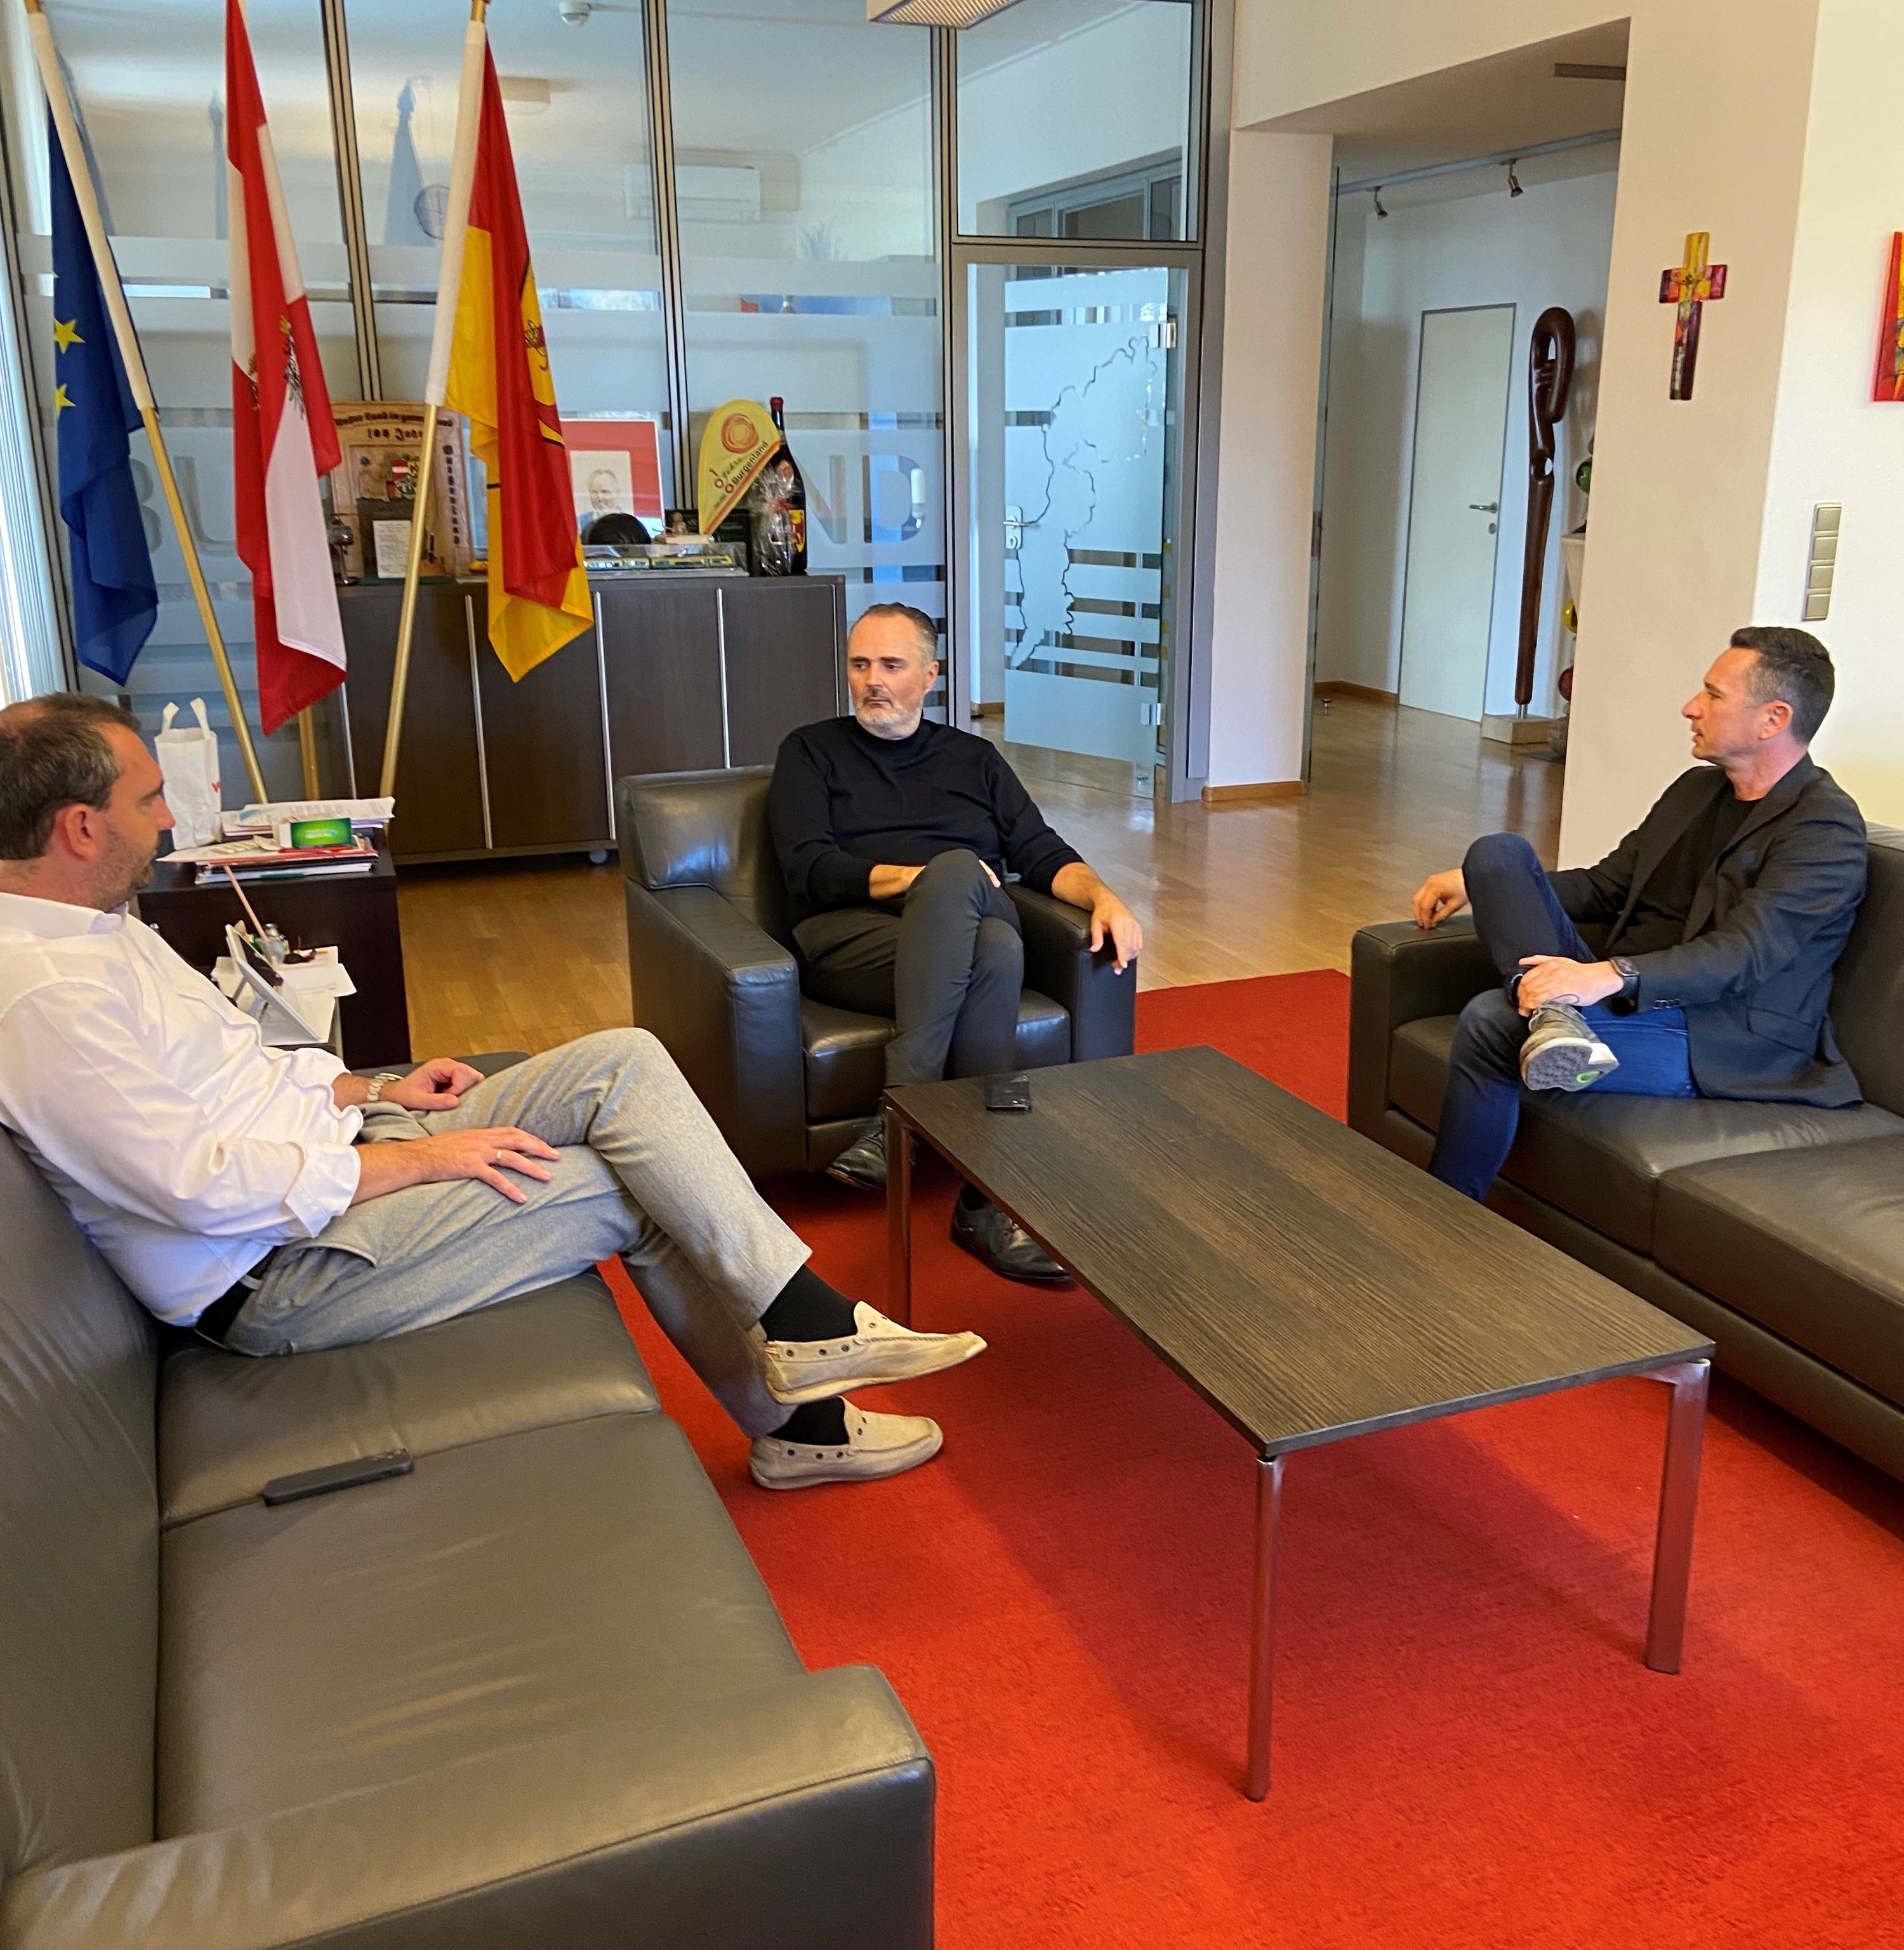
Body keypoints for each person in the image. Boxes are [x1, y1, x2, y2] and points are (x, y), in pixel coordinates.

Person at [0, 693, 986, 1493]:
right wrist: (421, 1156)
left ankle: (803, 1325)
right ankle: (804, 1415)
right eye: (149, 800)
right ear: (81, 828)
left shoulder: (98, 930)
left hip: (342, 1147)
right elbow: (200, 1187)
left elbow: (237, 1074)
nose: (169, 815)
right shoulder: (44, 999)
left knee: (624, 1062)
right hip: (280, 1266)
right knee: (617, 1185)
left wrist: (369, 1084)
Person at [1410, 625, 1867, 1204]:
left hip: (1720, 1032)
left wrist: (1607, 975)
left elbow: (1744, 955)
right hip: (1628, 999)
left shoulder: (1824, 828)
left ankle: (1443, 1216)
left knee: (1492, 1021)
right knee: (1497, 855)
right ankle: (1557, 1019)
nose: (1690, 708)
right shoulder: (1696, 792)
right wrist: (1480, 883)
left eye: (1713, 695)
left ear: (1773, 719)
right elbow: (1605, 887)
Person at [769, 601, 1144, 1285]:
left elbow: (1039, 848)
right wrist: (927, 880)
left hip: (957, 923)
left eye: (891, 664)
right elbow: (808, 869)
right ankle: (984, 1203)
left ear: (931, 674)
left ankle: (899, 1119)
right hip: (851, 941)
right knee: (995, 948)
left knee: (972, 909)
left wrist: (1106, 896)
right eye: (860, 664)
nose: (872, 680)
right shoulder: (809, 751)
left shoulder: (974, 759)